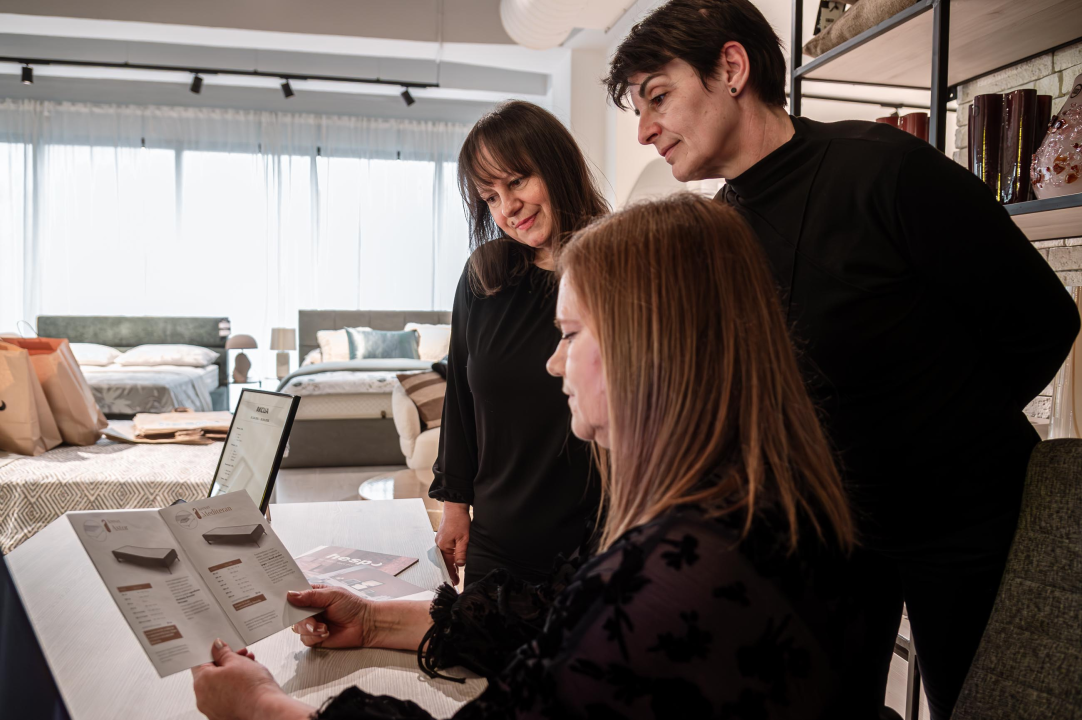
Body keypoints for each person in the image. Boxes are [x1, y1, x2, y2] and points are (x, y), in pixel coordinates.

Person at [191, 195, 884, 719]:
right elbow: (547, 616)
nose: (553, 363)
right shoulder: (763, 509)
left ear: (649, 348)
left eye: (570, 332)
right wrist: (373, 619)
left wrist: (263, 707)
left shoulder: (673, 582)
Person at [603, 2, 1082, 718]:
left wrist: (942, 437)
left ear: (731, 69)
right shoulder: (721, 231)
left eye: (658, 97)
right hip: (829, 530)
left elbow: (1041, 323)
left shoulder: (884, 170)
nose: (645, 132)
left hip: (971, 525)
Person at [431, 100, 606, 587]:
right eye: (488, 197)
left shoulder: (622, 265)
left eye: (517, 182)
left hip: (597, 541)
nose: (506, 209)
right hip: (498, 539)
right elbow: (460, 400)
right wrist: (454, 506)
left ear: (557, 164)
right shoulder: (486, 275)